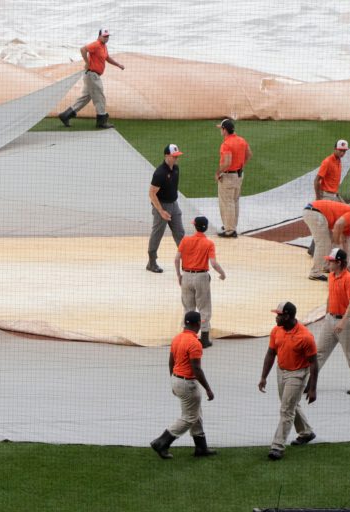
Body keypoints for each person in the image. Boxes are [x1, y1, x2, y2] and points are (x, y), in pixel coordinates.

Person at [150, 312, 216, 460]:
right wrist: (208, 389)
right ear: (197, 324)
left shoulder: (177, 338)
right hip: (188, 384)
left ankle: (201, 447)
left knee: (195, 413)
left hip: (177, 379)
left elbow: (171, 361)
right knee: (189, 417)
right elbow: (196, 369)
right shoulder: (194, 343)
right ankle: (161, 442)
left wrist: (173, 380)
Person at [258, 302, 318, 461]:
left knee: (286, 410)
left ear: (288, 316)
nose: (276, 318)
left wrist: (312, 388)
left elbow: (314, 363)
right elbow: (270, 354)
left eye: (279, 315)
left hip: (297, 374)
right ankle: (306, 432)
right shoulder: (276, 331)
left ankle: (277, 446)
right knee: (289, 405)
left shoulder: (305, 337)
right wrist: (263, 377)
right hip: (281, 371)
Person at [317, 249, 350, 395]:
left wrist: (342, 322)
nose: (328, 263)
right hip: (330, 319)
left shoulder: (349, 279)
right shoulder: (331, 276)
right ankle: (310, 380)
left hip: (346, 322)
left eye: (331, 261)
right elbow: (330, 296)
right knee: (319, 352)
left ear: (339, 262)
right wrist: (326, 315)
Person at [57, 28, 125, 129]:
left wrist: (118, 64)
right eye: (104, 36)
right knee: (100, 97)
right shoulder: (96, 44)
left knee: (85, 98)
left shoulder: (103, 46)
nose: (106, 38)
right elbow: (83, 49)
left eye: (108, 36)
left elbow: (107, 58)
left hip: (92, 75)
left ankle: (65, 115)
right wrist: (87, 63)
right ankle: (101, 121)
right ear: (99, 36)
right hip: (92, 75)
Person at [174, 216, 226, 348]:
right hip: (201, 277)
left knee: (188, 307)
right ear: (206, 228)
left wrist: (179, 275)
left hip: (186, 275)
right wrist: (222, 273)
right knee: (204, 308)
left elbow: (176, 259)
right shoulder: (209, 243)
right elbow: (213, 263)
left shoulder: (185, 240)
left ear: (194, 226)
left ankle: (186, 337)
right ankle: (204, 338)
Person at [302, 200, 350, 281]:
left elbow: (346, 242)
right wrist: (336, 245)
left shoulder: (349, 224)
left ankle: (325, 266)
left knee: (328, 242)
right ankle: (315, 273)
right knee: (323, 244)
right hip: (314, 212)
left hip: (314, 212)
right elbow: (338, 224)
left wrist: (346, 264)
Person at [147, 144, 185, 273]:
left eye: (177, 156)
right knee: (157, 234)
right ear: (166, 156)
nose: (176, 159)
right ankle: (151, 262)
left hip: (174, 205)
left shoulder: (176, 169)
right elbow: (152, 193)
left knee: (180, 233)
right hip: (161, 206)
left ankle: (187, 261)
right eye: (174, 157)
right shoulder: (160, 173)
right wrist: (161, 211)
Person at [215, 118, 252, 238]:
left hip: (228, 176)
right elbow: (249, 155)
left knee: (227, 202)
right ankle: (231, 226)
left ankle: (229, 230)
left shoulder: (226, 144)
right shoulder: (241, 140)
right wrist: (240, 166)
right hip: (239, 175)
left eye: (221, 128)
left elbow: (226, 162)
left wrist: (218, 173)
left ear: (225, 130)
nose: (220, 130)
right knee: (235, 201)